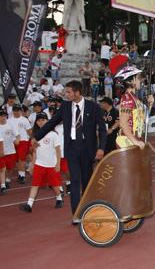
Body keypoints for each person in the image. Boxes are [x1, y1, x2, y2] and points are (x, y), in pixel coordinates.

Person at [33, 80, 107, 216]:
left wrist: (101, 148)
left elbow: (102, 129)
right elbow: (51, 123)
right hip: (71, 148)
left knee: (86, 181)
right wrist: (36, 137)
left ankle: (86, 210)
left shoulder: (93, 107)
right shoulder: (65, 107)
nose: (66, 94)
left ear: (77, 92)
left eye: (68, 92)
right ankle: (76, 214)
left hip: (87, 149)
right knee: (74, 181)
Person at [19, 112, 63, 212]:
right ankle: (29, 205)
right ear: (36, 122)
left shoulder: (53, 134)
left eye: (43, 120)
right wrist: (32, 165)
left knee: (54, 185)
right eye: (39, 120)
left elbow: (58, 150)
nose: (41, 122)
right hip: (39, 164)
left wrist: (58, 164)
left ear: (48, 121)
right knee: (35, 184)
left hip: (51, 165)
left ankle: (59, 198)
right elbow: (34, 152)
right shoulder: (36, 136)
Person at [115, 66, 154, 150]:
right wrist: (134, 141)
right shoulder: (127, 98)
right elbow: (123, 122)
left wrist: (150, 105)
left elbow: (142, 120)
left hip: (134, 139)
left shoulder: (134, 98)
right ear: (130, 81)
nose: (141, 81)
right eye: (138, 78)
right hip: (127, 141)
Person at [9, 105, 32, 184]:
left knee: (21, 159)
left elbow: (29, 131)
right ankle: (8, 178)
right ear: (13, 111)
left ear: (21, 111)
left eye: (18, 110)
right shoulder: (9, 120)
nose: (16, 112)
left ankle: (22, 176)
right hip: (12, 142)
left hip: (23, 141)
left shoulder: (24, 120)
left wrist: (33, 139)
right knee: (14, 160)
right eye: (15, 110)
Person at [0, 109, 19, 192]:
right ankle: (3, 185)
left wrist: (17, 140)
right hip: (1, 152)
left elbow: (17, 135)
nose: (3, 117)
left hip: (10, 150)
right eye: (1, 116)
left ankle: (7, 180)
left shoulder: (10, 125)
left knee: (10, 168)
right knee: (2, 168)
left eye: (4, 115)